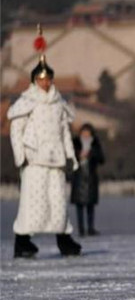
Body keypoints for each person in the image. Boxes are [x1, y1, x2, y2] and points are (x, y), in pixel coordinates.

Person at [8, 49, 82, 258]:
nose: (46, 83)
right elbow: (16, 129)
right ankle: (22, 241)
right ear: (34, 81)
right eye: (41, 79)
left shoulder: (59, 103)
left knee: (58, 201)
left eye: (48, 79)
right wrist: (19, 155)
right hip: (34, 158)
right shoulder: (27, 101)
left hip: (56, 158)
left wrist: (70, 156)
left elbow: (64, 132)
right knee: (33, 201)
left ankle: (64, 240)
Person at [70, 123, 105, 236]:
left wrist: (90, 154)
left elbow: (101, 159)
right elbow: (69, 156)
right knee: (79, 206)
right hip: (78, 177)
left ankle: (90, 228)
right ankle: (81, 229)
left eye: (87, 132)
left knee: (91, 205)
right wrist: (78, 154)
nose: (85, 134)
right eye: (83, 132)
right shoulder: (75, 142)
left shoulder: (95, 143)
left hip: (91, 177)